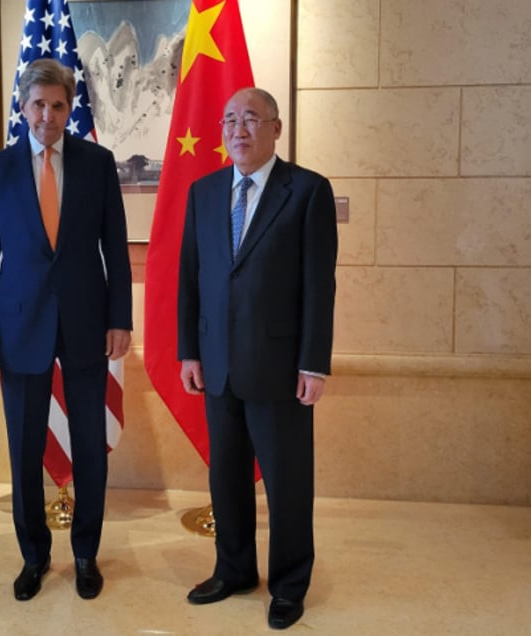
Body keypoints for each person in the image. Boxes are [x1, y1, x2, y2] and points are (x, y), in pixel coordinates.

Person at [0, 58, 132, 602]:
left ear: (69, 108)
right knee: (23, 450)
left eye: (58, 105)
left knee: (89, 446)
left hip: (87, 325)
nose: (48, 115)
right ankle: (33, 556)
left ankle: (86, 554)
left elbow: (116, 250)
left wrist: (120, 319)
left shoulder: (98, 163)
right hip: (19, 328)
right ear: (22, 105)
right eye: (38, 104)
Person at [177, 87, 337, 630]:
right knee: (226, 478)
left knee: (288, 482)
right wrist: (189, 352)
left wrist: (313, 363)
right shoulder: (203, 192)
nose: (237, 129)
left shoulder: (307, 191)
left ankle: (290, 583)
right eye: (229, 120)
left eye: (250, 119)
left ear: (276, 127)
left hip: (280, 369)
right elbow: (191, 280)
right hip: (218, 366)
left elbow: (319, 285)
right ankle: (234, 569)